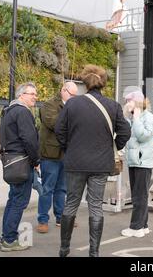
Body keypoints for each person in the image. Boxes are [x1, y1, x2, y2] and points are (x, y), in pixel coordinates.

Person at [55, 65, 131, 257]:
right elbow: (125, 132)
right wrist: (112, 146)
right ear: (103, 83)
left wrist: (69, 148)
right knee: (96, 206)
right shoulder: (113, 106)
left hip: (75, 162)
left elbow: (59, 130)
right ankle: (94, 252)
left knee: (71, 203)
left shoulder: (72, 104)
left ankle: (64, 249)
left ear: (85, 83)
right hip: (100, 163)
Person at [0, 82, 40, 252]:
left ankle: (7, 236)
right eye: (31, 94)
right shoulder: (22, 112)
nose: (35, 97)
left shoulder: (9, 111)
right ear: (21, 95)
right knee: (18, 202)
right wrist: (36, 161)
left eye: (35, 94)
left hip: (11, 161)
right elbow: (29, 140)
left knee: (13, 200)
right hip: (22, 162)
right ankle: (9, 240)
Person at [36, 82, 78, 234]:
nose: (74, 98)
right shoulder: (49, 105)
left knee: (62, 189)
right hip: (50, 154)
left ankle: (61, 218)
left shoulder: (73, 106)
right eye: (72, 95)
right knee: (47, 188)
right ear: (63, 91)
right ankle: (42, 220)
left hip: (66, 154)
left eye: (75, 95)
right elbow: (54, 123)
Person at [121, 90, 153, 238]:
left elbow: (143, 136)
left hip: (143, 162)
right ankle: (143, 225)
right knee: (140, 194)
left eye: (129, 101)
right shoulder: (135, 117)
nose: (126, 104)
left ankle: (136, 227)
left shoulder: (147, 117)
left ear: (136, 102)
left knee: (139, 196)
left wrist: (135, 119)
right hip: (135, 161)